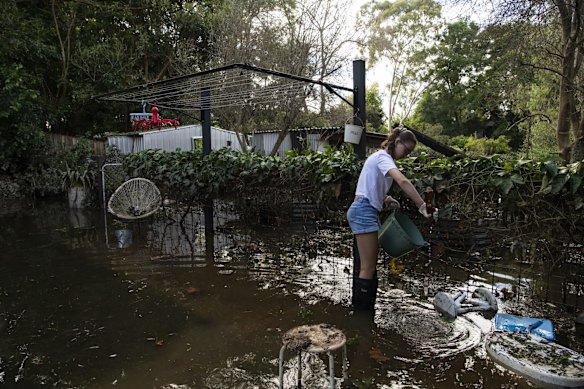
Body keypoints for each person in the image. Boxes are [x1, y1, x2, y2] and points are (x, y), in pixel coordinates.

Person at [346, 127, 436, 310]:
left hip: (365, 209)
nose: (406, 154)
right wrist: (421, 205)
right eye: (407, 150)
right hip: (364, 211)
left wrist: (386, 199)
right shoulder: (383, 157)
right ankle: (362, 316)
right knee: (368, 268)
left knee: (368, 266)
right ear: (397, 143)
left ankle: (363, 311)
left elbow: (368, 186)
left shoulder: (380, 158)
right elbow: (402, 181)